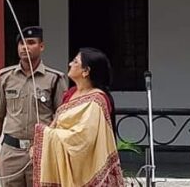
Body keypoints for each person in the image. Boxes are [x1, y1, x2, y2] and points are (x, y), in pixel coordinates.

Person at [32, 47, 124, 187]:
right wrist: (43, 140)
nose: (70, 64)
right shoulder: (71, 93)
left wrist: (45, 134)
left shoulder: (96, 101)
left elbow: (83, 139)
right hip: (65, 166)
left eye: (75, 61)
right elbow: (58, 122)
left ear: (86, 71)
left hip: (84, 170)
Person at [0, 26, 68, 187]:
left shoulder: (54, 79)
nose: (25, 47)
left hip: (41, 150)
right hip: (11, 152)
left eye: (31, 43)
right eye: (21, 43)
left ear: (41, 46)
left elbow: (63, 119)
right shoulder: (5, 78)